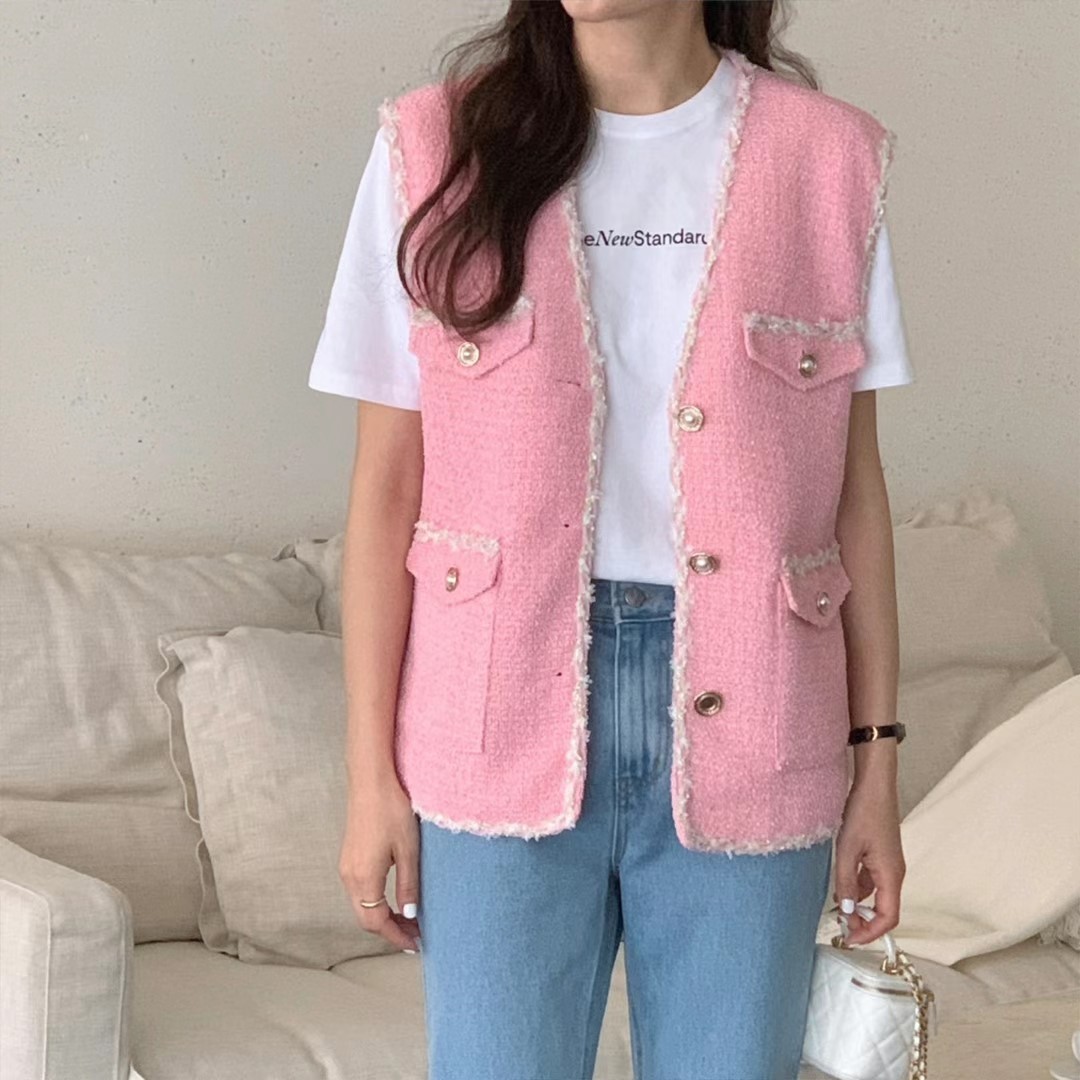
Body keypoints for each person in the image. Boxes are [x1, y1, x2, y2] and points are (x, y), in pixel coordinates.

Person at [309, 2, 912, 1077]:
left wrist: (877, 766)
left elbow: (853, 493)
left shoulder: (828, 160)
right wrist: (369, 778)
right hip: (492, 712)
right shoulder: (434, 148)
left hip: (761, 711)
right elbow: (386, 488)